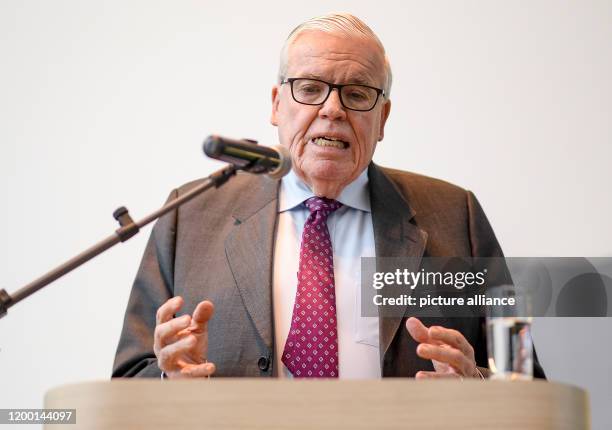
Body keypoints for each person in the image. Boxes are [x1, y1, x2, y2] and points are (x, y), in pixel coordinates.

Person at [112, 13, 545, 380]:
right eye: (310, 88)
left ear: (383, 118)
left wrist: (479, 384)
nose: (332, 110)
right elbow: (129, 381)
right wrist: (169, 376)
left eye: (357, 94)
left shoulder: (456, 215)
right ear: (277, 104)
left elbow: (524, 380)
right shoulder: (188, 216)